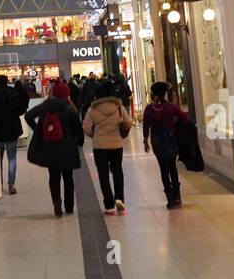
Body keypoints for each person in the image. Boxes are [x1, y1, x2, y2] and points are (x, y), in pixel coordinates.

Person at [24, 79, 84, 217]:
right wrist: (79, 142)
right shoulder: (70, 108)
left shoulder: (46, 106)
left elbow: (28, 116)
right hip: (68, 149)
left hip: (50, 148)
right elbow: (78, 128)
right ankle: (69, 206)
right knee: (68, 178)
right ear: (66, 94)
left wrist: (38, 130)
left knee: (54, 177)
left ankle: (56, 202)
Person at [83, 81, 133, 215]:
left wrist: (94, 134)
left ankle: (109, 205)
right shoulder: (118, 107)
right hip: (116, 145)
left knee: (103, 175)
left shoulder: (92, 109)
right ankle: (119, 198)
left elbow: (86, 128)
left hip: (99, 146)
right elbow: (129, 122)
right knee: (117, 171)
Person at [141, 81, 186, 208]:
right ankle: (177, 195)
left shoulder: (149, 109)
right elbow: (185, 119)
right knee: (172, 167)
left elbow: (146, 126)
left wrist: (145, 141)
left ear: (155, 95)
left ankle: (170, 198)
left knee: (163, 169)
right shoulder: (172, 107)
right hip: (171, 140)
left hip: (157, 142)